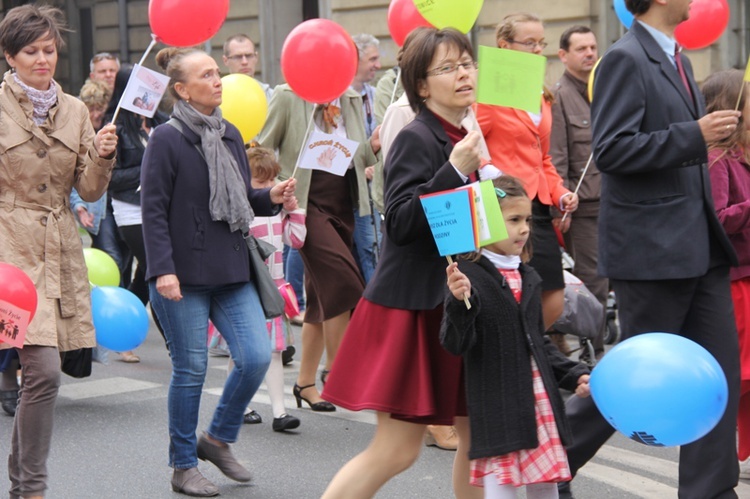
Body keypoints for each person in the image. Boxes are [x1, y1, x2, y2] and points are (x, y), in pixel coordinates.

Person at [559, 0, 743, 497]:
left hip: (700, 246)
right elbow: (613, 149)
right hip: (653, 253)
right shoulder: (624, 58)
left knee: (717, 376)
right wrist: (694, 135)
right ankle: (551, 461)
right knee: (632, 376)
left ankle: (711, 490)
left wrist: (703, 140)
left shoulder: (678, 58)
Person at [321, 27, 483, 499]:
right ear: (423, 85)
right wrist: (453, 169)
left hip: (457, 301)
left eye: (467, 63)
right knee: (396, 450)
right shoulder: (419, 136)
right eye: (449, 68)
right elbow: (402, 221)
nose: (464, 73)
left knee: (477, 443)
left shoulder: (464, 132)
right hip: (413, 307)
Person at [141, 46, 297, 497]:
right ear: (181, 89)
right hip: (182, 276)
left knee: (252, 357)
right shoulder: (167, 140)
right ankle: (183, 464)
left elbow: (240, 197)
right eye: (206, 75)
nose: (218, 80)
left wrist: (272, 197)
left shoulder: (229, 132)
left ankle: (218, 438)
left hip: (230, 268)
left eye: (217, 73)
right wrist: (162, 270)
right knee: (190, 370)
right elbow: (152, 211)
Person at [0, 5, 118, 498]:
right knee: (41, 371)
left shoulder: (73, 110)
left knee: (44, 373)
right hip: (8, 250)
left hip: (59, 250)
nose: (43, 59)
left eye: (49, 49)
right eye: (31, 51)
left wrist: (104, 155)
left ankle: (25, 483)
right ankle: (31, 485)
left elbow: (88, 190)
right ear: (10, 55)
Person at [441, 175, 591, 499]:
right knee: (502, 487)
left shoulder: (528, 275)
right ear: (486, 222)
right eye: (513, 220)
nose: (524, 229)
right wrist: (458, 304)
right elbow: (455, 343)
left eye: (527, 220)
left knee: (546, 487)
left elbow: (538, 343)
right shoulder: (469, 278)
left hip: (538, 405)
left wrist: (573, 373)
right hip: (499, 408)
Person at [258, 79, 376, 411]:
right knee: (344, 283)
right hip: (306, 204)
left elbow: (358, 156)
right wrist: (278, 190)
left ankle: (304, 383)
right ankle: (336, 373)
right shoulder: (288, 96)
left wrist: (374, 146)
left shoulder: (351, 98)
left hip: (343, 202)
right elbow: (262, 151)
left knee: (320, 301)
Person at [476, 13, 579, 338]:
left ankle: (527, 345)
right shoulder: (489, 94)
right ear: (505, 46)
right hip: (504, 203)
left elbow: (543, 157)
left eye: (541, 44)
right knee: (509, 289)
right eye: (530, 43)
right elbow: (471, 143)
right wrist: (491, 172)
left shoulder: (541, 96)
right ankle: (518, 350)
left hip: (539, 205)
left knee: (553, 295)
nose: (538, 50)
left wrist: (561, 192)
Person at [702, 69, 750, 481]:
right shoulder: (717, 159)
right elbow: (717, 220)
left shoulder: (742, 156)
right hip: (735, 282)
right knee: (741, 374)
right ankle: (723, 452)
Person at [103, 64, 170, 358]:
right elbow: (110, 178)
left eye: (153, 87)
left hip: (164, 208)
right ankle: (174, 342)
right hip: (131, 210)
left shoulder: (164, 122)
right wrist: (147, 171)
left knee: (145, 274)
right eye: (143, 87)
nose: (150, 94)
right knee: (159, 271)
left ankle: (123, 330)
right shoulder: (113, 127)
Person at [549, 25, 607, 363]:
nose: (589, 53)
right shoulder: (559, 97)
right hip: (583, 207)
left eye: (593, 46)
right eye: (581, 48)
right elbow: (557, 157)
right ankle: (594, 354)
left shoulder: (603, 90)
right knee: (594, 281)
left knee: (619, 279)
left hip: (615, 201)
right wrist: (562, 207)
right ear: (563, 55)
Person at [244, 145, 306, 431]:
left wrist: (294, 212)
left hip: (274, 288)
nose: (269, 186)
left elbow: (296, 241)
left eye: (272, 180)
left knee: (274, 352)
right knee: (243, 351)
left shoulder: (279, 210)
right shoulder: (243, 211)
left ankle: (280, 413)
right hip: (247, 288)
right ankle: (241, 404)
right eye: (261, 181)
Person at [88, 51, 133, 296]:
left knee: (125, 257)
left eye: (112, 70)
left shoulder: (127, 108)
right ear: (92, 75)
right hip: (98, 199)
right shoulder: (83, 104)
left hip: (123, 199)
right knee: (111, 256)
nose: (108, 75)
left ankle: (124, 304)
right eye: (103, 71)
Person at [222, 34, 273, 101]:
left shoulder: (271, 96)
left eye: (249, 56)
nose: (244, 62)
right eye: (238, 57)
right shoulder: (217, 97)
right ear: (225, 60)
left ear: (256, 57)